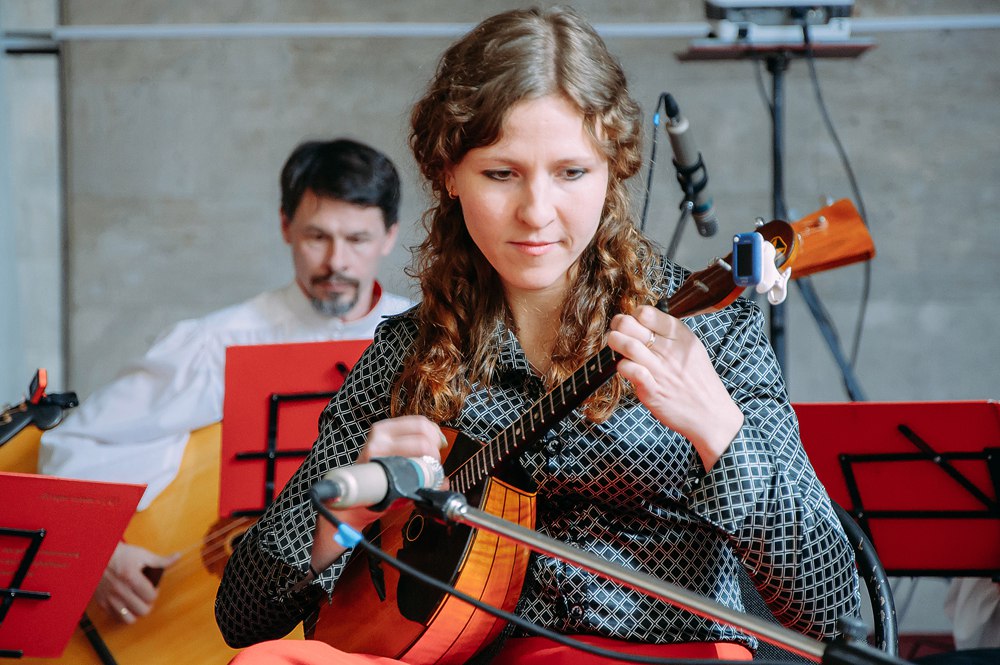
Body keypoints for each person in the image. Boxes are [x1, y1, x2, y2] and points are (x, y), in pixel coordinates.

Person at [215, 7, 861, 664]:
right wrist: (337, 521)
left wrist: (719, 429)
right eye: (502, 174)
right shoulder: (409, 351)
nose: (537, 212)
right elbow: (242, 613)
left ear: (613, 169)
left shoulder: (709, 330)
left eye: (572, 172)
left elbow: (833, 607)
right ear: (448, 172)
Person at [38, 138, 413, 624]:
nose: (336, 261)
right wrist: (101, 548)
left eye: (357, 240)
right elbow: (74, 442)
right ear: (285, 227)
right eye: (317, 236)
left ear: (389, 236)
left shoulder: (428, 340)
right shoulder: (218, 343)